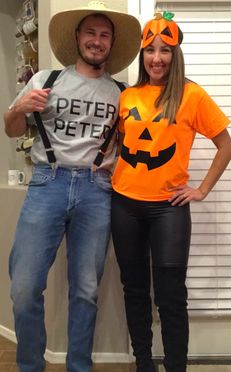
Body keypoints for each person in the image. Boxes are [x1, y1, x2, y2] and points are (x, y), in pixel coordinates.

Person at [4, 2, 141, 372]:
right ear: (78, 38)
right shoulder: (44, 81)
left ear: (111, 45)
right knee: (25, 287)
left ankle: (78, 366)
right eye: (90, 33)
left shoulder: (122, 94)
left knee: (86, 290)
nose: (97, 41)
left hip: (98, 188)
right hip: (48, 181)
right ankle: (31, 366)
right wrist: (17, 110)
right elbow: (13, 130)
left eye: (104, 36)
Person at [111, 11, 231, 372]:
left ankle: (176, 366)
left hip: (169, 209)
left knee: (170, 296)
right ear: (142, 55)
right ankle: (144, 363)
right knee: (134, 291)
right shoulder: (127, 96)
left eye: (165, 50)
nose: (157, 58)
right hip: (124, 205)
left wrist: (202, 189)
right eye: (150, 50)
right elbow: (120, 146)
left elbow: (226, 146)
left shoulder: (191, 94)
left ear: (175, 54)